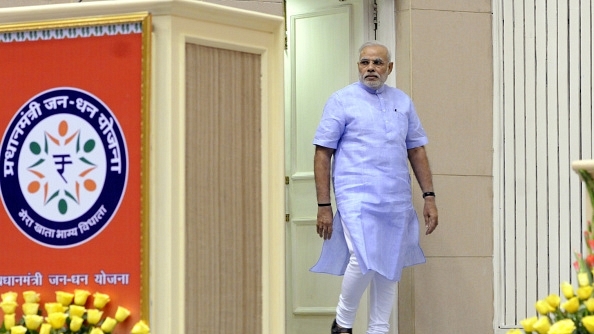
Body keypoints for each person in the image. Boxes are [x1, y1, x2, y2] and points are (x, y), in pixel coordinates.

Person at [310, 41, 439, 334]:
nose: (371, 68)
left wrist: (429, 197)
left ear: (389, 68)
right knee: (364, 258)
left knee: (390, 266)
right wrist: (323, 205)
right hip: (356, 195)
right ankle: (342, 323)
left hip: (396, 198)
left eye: (378, 63)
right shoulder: (341, 100)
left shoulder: (403, 102)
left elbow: (416, 150)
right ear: (358, 66)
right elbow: (322, 152)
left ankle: (379, 329)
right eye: (365, 62)